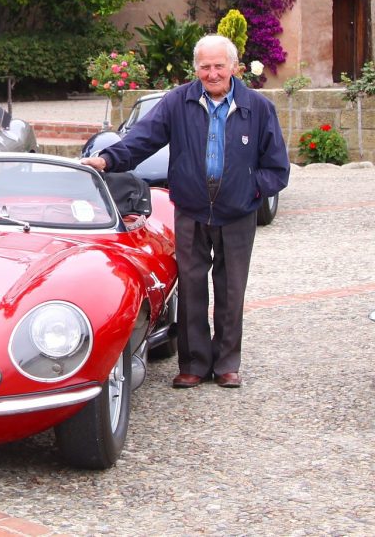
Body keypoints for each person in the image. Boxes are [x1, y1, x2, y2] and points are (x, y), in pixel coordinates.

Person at [81, 34, 289, 389]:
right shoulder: (178, 102)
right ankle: (192, 364)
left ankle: (226, 365)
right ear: (195, 69)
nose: (212, 74)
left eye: (219, 66)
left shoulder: (258, 107)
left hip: (238, 213)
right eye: (205, 67)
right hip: (191, 210)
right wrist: (107, 159)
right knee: (191, 288)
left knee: (231, 289)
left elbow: (277, 167)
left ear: (234, 68)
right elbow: (142, 138)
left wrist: (252, 189)